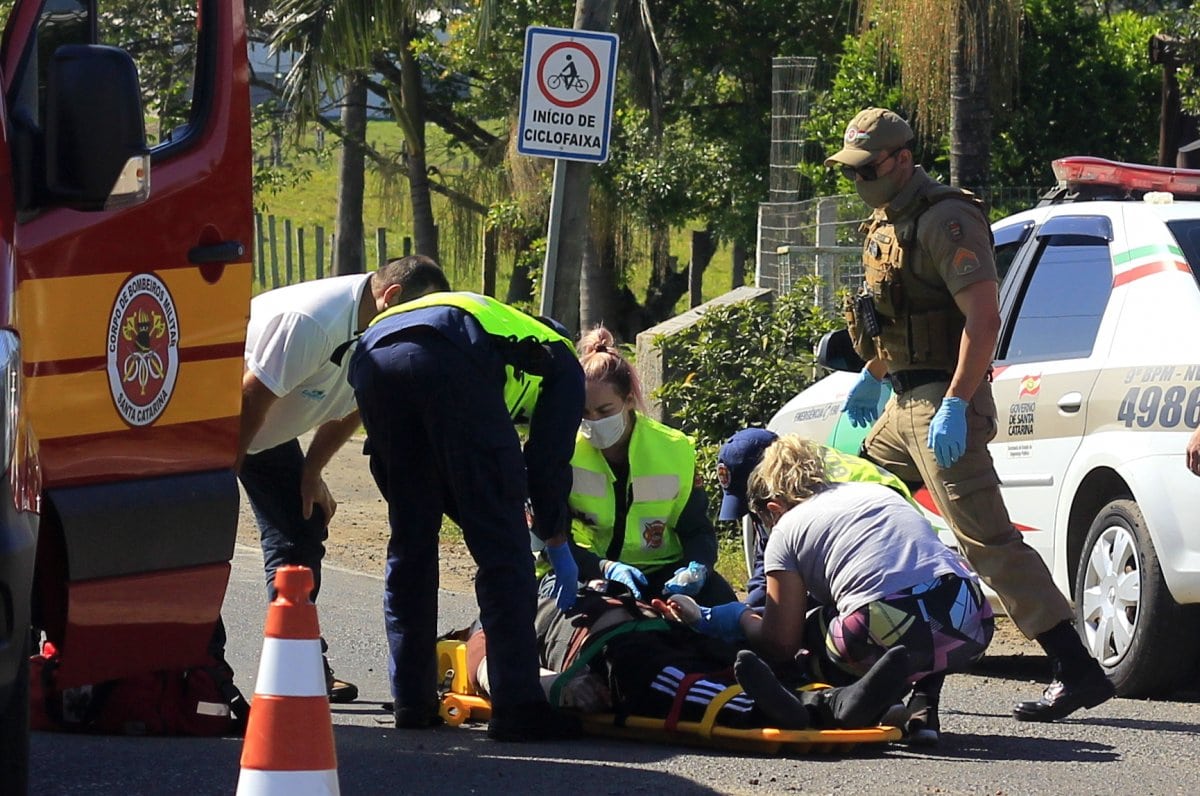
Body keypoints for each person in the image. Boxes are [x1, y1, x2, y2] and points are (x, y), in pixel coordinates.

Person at [826, 106, 1115, 723]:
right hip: (901, 401)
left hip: (940, 401)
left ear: (903, 159)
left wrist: (956, 403)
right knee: (846, 500)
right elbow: (901, 318)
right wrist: (872, 376)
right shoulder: (888, 220)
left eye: (867, 169)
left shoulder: (946, 219)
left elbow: (983, 320)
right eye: (852, 172)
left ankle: (1076, 667)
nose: (859, 182)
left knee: (986, 539)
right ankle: (854, 656)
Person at [347, 262, 584, 742]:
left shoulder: (488, 320)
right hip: (447, 361)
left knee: (411, 547)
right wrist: (553, 532)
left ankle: (412, 702)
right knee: (503, 557)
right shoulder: (561, 359)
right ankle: (518, 708)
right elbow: (547, 457)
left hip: (370, 358)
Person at [680, 434, 993, 745]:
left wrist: (741, 617)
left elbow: (780, 642)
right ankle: (921, 708)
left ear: (774, 507)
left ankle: (843, 704)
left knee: (812, 632)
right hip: (973, 619)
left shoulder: (786, 528)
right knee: (924, 609)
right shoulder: (875, 492)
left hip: (885, 624)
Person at [236, 258, 435, 702]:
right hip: (221, 423)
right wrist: (217, 481)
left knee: (302, 526)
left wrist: (311, 471)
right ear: (393, 298)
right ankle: (200, 671)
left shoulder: (382, 333)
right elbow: (249, 399)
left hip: (267, 432)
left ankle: (298, 662)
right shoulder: (313, 322)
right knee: (200, 543)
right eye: (419, 317)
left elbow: (356, 405)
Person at [466, 578, 913, 733]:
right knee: (678, 683)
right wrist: (558, 686)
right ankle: (776, 712)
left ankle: (839, 701)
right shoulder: (498, 613)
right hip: (614, 655)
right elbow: (489, 668)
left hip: (667, 630)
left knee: (732, 662)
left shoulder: (577, 579)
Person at [556, 325, 737, 606]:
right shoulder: (562, 448)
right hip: (588, 569)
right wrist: (602, 567)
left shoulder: (674, 450)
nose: (593, 421)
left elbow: (697, 530)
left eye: (604, 411)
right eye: (584, 412)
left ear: (629, 400)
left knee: (723, 603)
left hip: (662, 574)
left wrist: (696, 568)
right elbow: (551, 535)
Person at [715, 427, 917, 609]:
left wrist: (753, 620)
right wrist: (749, 608)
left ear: (769, 474)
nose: (757, 516)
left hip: (897, 570)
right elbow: (768, 559)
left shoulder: (815, 487)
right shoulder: (783, 491)